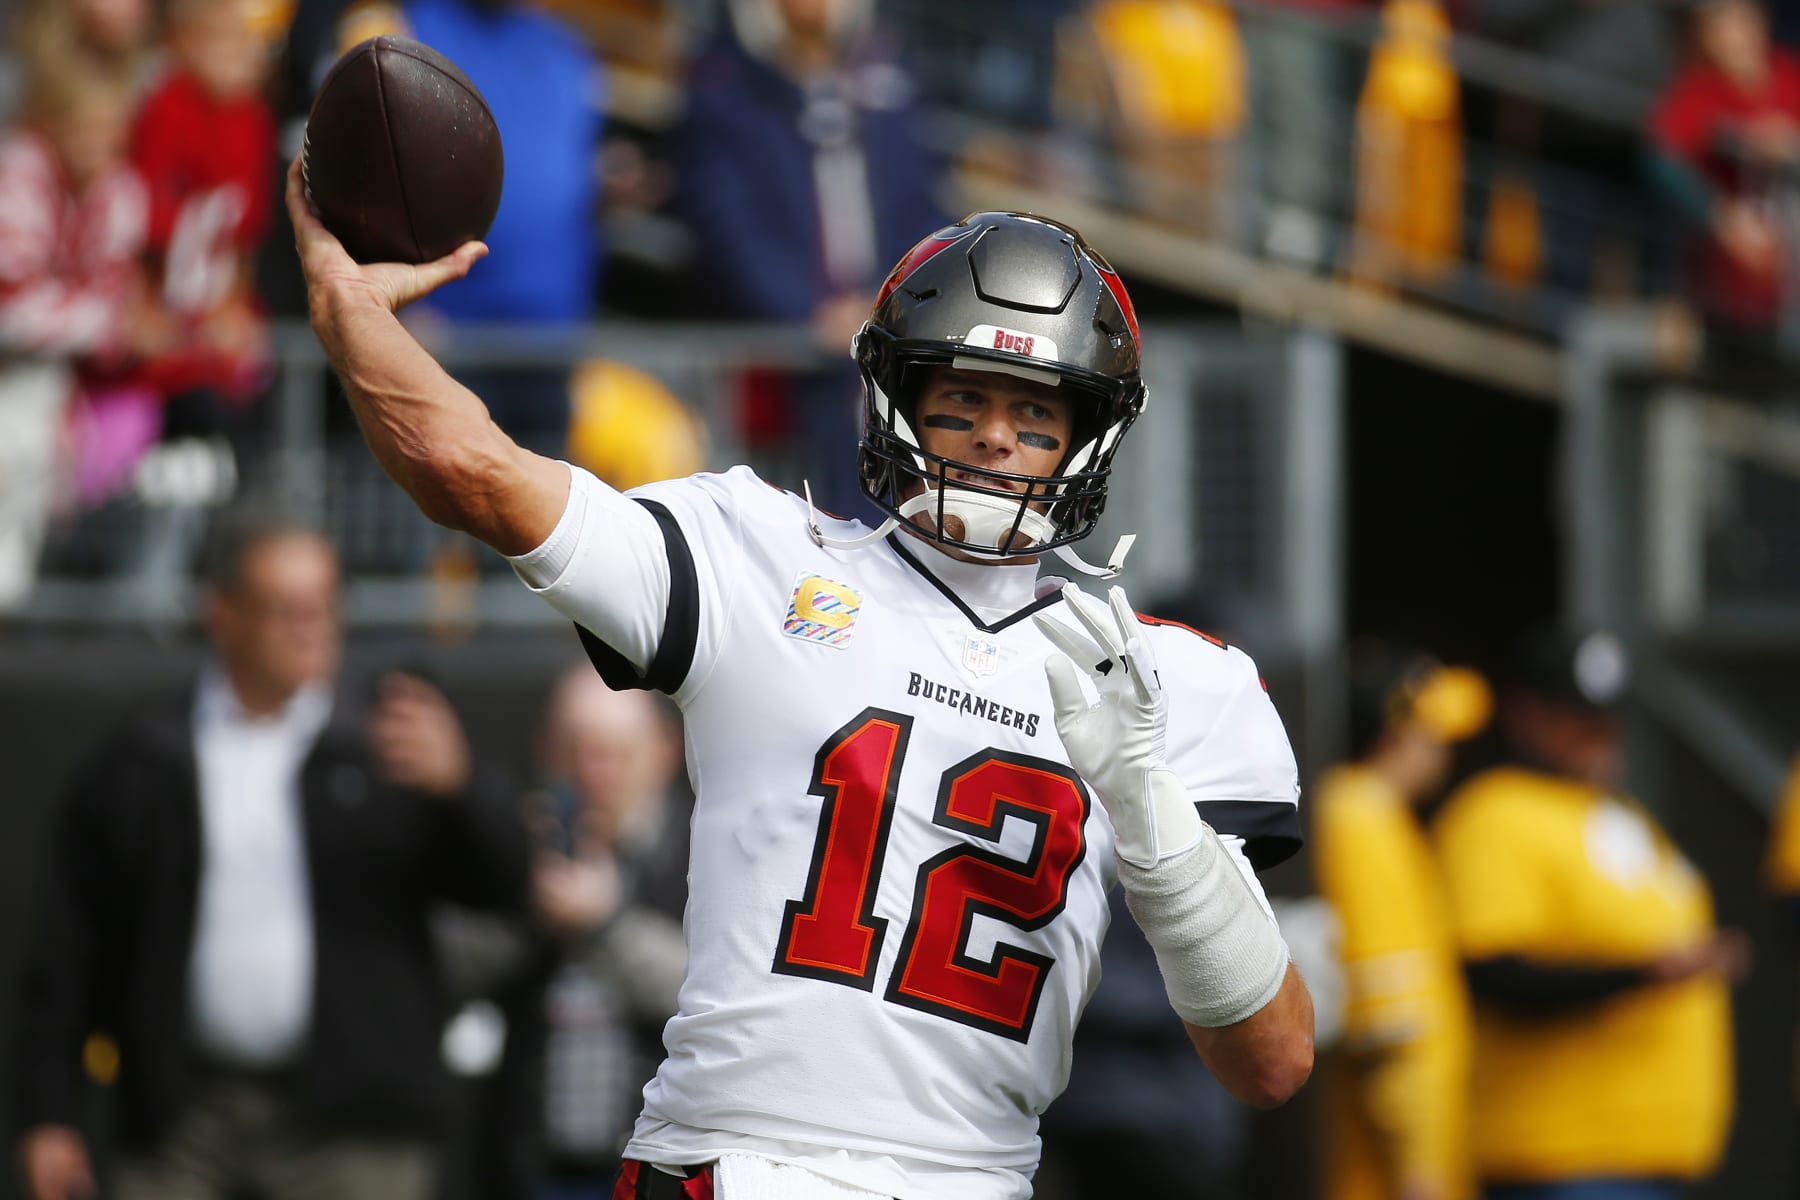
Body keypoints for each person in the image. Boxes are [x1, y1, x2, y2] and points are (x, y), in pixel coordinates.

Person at [288, 161, 1315, 1198]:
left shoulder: (1165, 679)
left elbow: (1269, 1063)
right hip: (738, 1161)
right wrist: (345, 310)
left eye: (1036, 412)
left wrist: (1148, 809)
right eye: (964, 397)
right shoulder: (758, 554)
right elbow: (476, 472)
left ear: (1087, 437)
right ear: (899, 394)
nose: (999, 435)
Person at [13, 518, 531, 1200]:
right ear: (222, 613)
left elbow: (507, 888)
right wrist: (48, 1114)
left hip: (353, 1127)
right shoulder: (147, 759)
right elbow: (69, 946)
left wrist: (461, 791)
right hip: (184, 1120)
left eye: (325, 606)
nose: (312, 628)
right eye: (286, 609)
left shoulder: (388, 743)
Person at [1432, 629, 1744, 1200]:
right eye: (1572, 714)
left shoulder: (1616, 811)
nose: (1596, 733)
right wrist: (1643, 974)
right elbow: (1494, 974)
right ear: (1525, 712)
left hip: (1656, 1153)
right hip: (1563, 1154)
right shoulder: (1494, 811)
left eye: (1605, 716)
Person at [1313, 643, 1490, 1200]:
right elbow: (1394, 1022)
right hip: (1399, 1173)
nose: (1444, 748)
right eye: (1433, 731)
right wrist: (1419, 1171)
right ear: (1398, 730)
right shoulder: (1359, 813)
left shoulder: (1381, 817)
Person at [1650, 0, 1800, 362]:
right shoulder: (1699, 90)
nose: (1732, 36)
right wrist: (1721, 217)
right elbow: (1659, 160)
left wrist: (1789, 145)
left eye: (1739, 20)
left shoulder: (1788, 76)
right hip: (1725, 298)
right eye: (1719, 26)